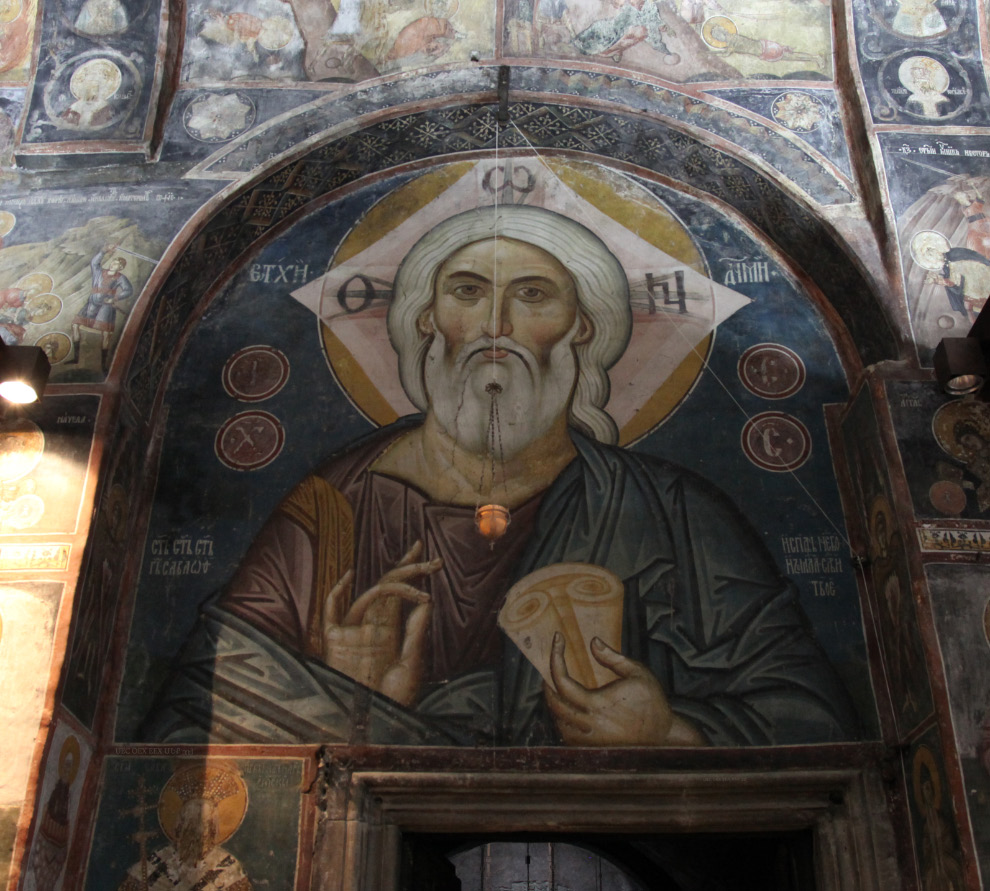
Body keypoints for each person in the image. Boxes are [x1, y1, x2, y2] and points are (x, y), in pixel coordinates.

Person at [144, 205, 859, 747]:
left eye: (533, 296)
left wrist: (669, 731)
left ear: (584, 327)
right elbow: (189, 725)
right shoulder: (332, 512)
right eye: (465, 291)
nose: (494, 324)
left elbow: (817, 718)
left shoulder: (674, 513)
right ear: (426, 320)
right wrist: (348, 704)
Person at [68, 243, 133, 371]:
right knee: (75, 325)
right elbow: (94, 263)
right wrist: (103, 251)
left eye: (116, 264)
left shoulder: (120, 278)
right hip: (91, 304)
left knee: (105, 334)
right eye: (113, 261)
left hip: (105, 307)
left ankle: (103, 364)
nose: (113, 264)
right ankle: (76, 357)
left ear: (120, 267)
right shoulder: (100, 272)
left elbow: (128, 290)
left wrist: (115, 298)